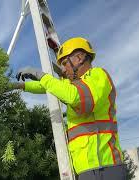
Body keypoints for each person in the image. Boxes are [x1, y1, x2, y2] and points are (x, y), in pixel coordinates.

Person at [14, 37, 126, 180]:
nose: (62, 69)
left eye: (65, 63)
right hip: (87, 170)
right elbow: (50, 87)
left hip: (105, 168)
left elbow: (75, 96)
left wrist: (42, 76)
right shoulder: (75, 84)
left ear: (79, 58)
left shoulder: (98, 76)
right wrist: (22, 86)